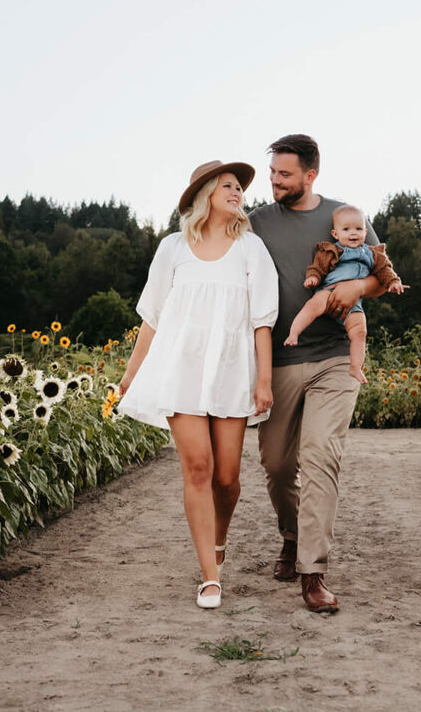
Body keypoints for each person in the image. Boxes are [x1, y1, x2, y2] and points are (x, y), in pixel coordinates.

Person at [251, 133, 406, 613]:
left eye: (284, 174)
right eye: (273, 172)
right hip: (278, 359)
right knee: (278, 467)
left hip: (337, 357)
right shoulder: (257, 223)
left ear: (310, 175)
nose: (275, 181)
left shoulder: (348, 218)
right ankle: (291, 536)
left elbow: (381, 276)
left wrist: (357, 285)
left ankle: (312, 573)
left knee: (320, 458)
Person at [115, 160, 278, 609]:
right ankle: (210, 575)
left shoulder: (251, 249)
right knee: (199, 469)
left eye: (239, 188)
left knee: (227, 478)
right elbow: (153, 318)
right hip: (181, 371)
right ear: (204, 193)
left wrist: (263, 379)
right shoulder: (172, 248)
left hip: (231, 371)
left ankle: (218, 539)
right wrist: (130, 375)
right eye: (227, 185)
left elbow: (263, 320)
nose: (237, 193)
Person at [282, 203, 404, 384]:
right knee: (312, 306)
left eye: (358, 229)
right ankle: (294, 333)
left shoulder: (373, 254)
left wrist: (394, 282)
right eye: (346, 229)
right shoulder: (332, 250)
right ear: (335, 234)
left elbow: (385, 271)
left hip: (354, 302)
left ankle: (355, 367)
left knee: (360, 331)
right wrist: (313, 278)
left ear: (365, 232)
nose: (353, 233)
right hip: (329, 290)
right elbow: (317, 267)